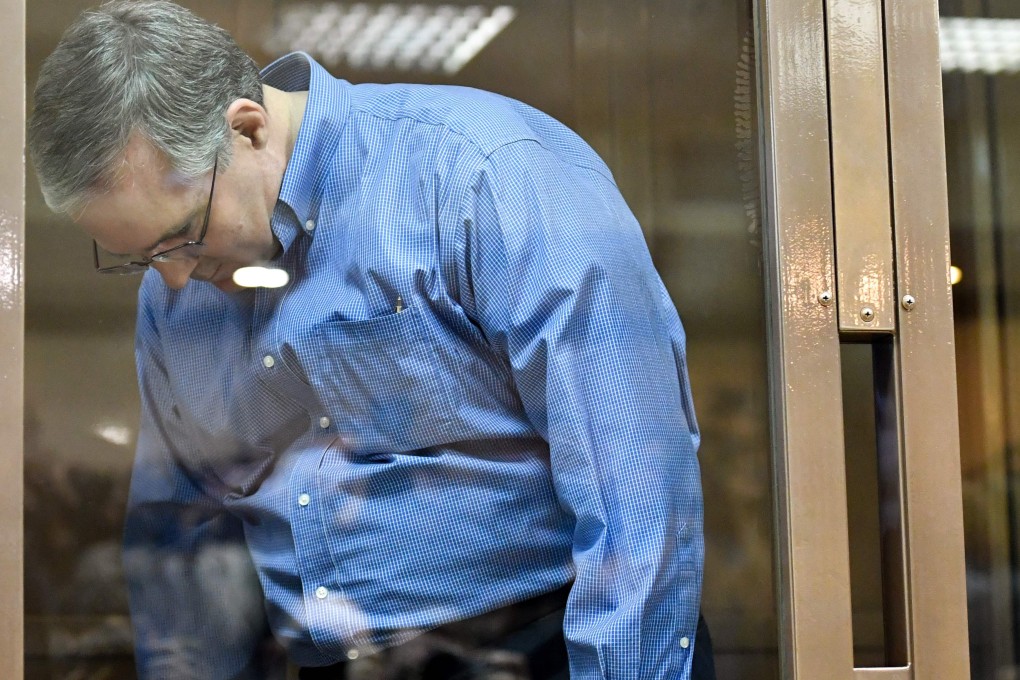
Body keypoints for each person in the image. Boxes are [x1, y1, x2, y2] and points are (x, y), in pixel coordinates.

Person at [28, 1, 707, 678]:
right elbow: (181, 547)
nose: (174, 280)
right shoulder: (173, 299)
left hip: (542, 647)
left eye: (182, 234)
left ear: (248, 129)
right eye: (142, 256)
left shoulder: (483, 175)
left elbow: (636, 489)